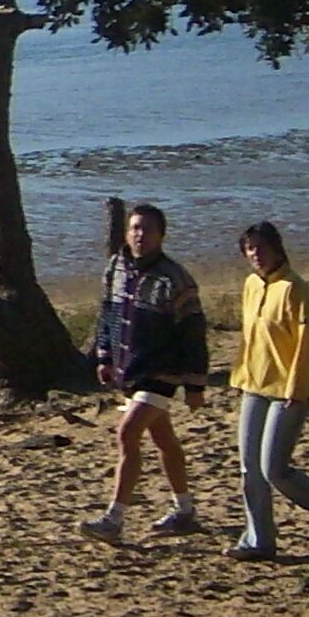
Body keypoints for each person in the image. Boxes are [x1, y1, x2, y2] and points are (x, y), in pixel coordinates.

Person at [82, 200, 211, 542]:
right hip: (130, 369)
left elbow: (193, 333)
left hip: (162, 370)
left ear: (161, 235)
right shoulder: (116, 267)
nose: (141, 235)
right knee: (163, 439)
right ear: (127, 232)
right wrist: (104, 357)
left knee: (127, 433)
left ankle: (114, 519)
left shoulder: (175, 278)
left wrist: (195, 384)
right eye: (136, 228)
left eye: (148, 229)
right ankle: (184, 510)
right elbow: (107, 312)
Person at [228, 220, 309, 560]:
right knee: (249, 470)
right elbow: (249, 339)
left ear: (277, 248)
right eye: (250, 249)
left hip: (289, 390)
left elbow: (307, 343)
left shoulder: (295, 288)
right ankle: (258, 540)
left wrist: (296, 387)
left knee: (274, 469)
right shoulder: (251, 285)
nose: (256, 255)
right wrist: (240, 376)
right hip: (254, 386)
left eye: (261, 247)